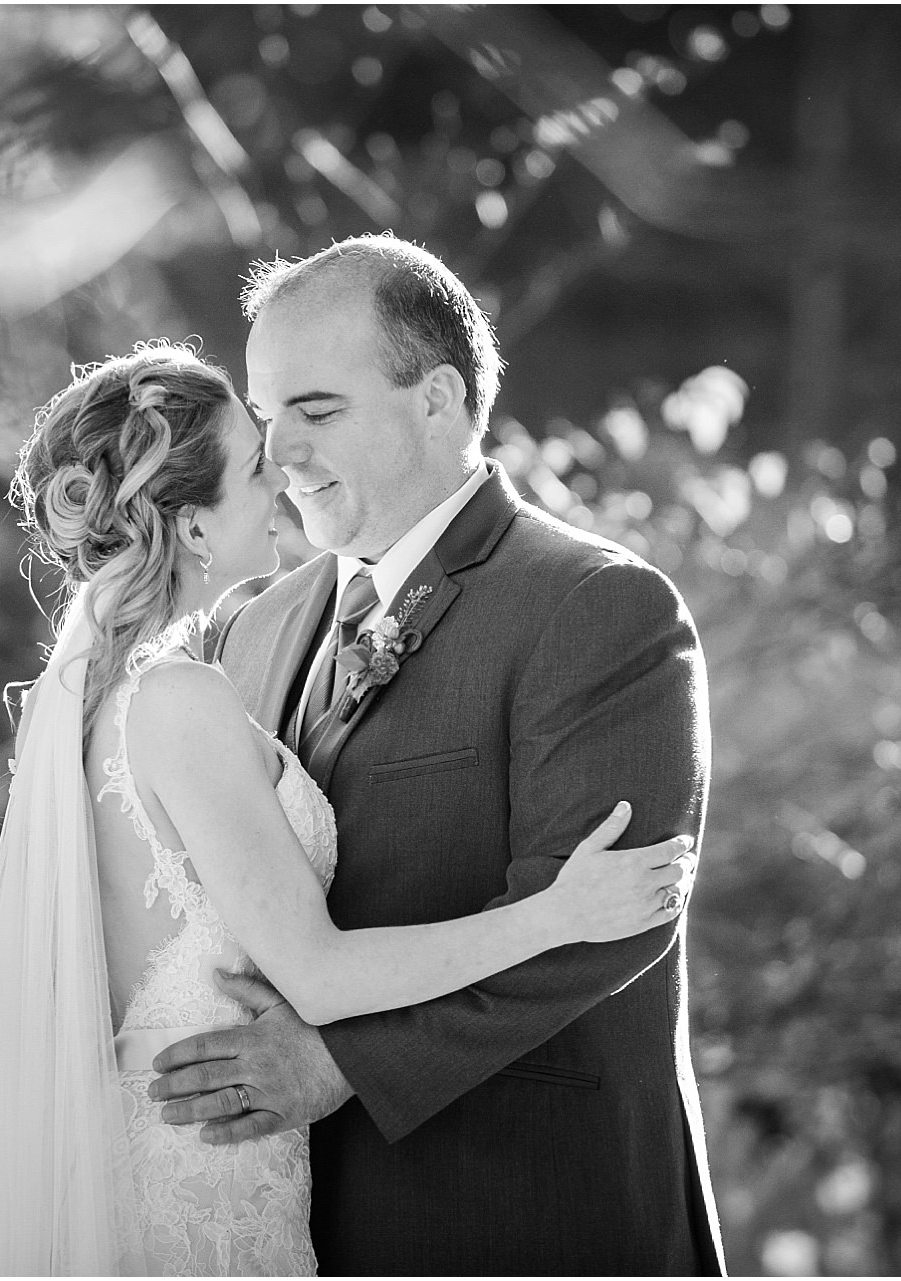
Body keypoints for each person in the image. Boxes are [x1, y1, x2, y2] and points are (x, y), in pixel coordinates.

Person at [0, 342, 695, 1276]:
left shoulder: (91, 699)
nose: (282, 474)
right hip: (207, 1175)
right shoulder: (179, 694)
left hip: (176, 1146)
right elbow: (321, 976)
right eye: (254, 464)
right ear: (191, 524)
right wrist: (556, 913)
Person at [150, 236, 726, 1274]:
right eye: (267, 416)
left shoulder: (599, 606)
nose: (279, 455)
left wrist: (338, 1064)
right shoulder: (251, 628)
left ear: (439, 400)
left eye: (317, 411)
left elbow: (610, 924)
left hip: (527, 1208)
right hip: (283, 1220)